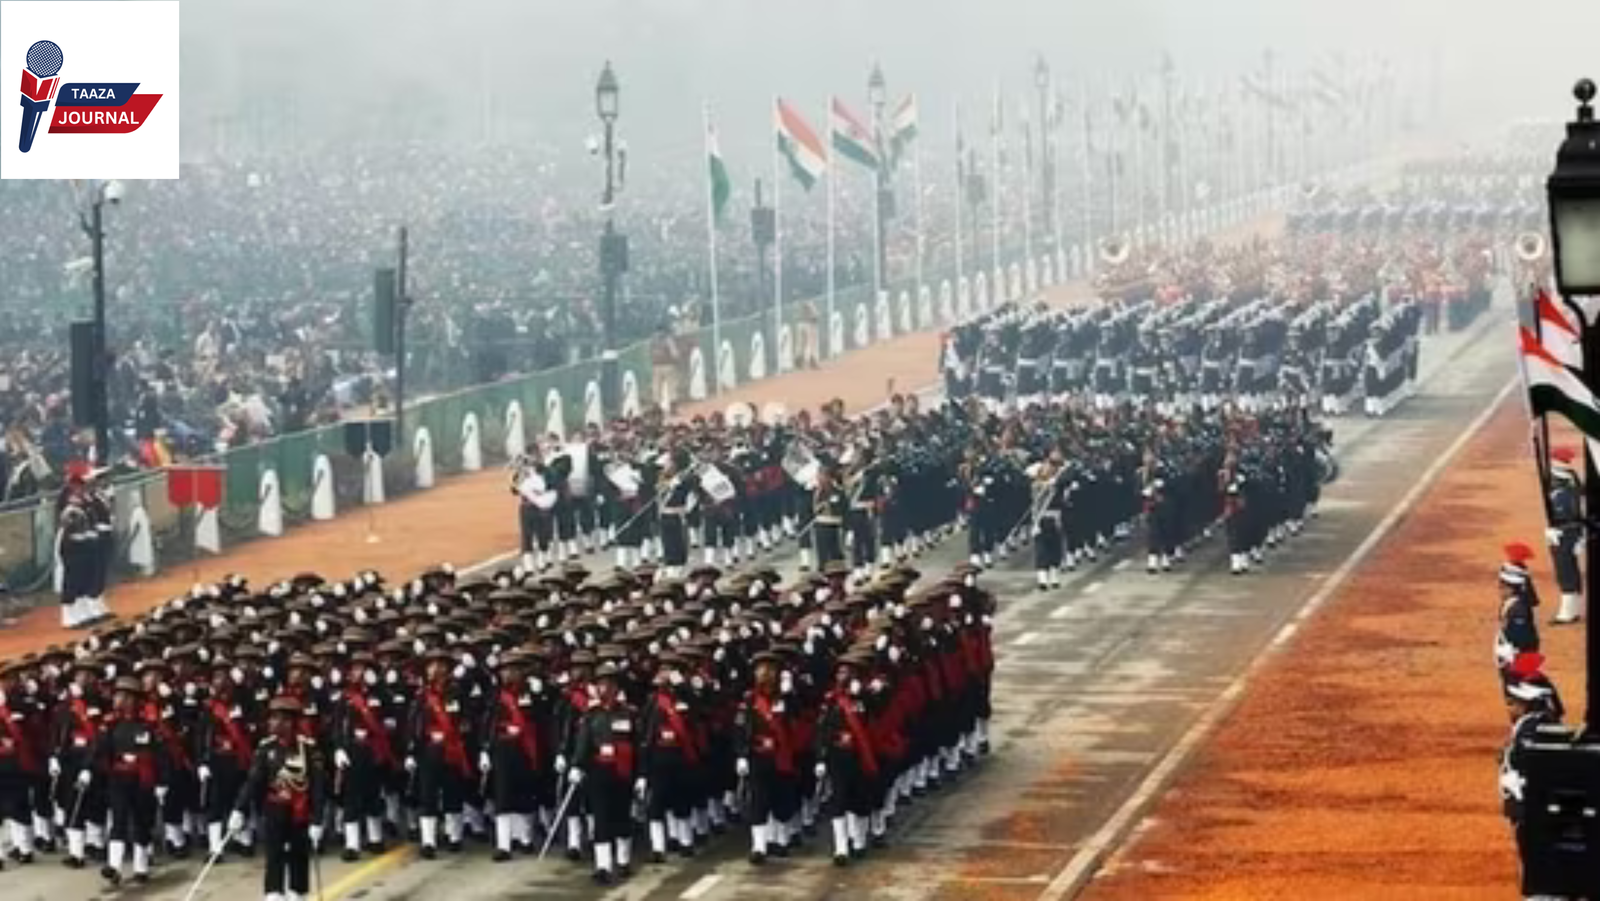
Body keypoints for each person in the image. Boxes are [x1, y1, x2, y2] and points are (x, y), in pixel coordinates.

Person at [231, 694, 325, 901]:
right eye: (272, 717)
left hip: (300, 813)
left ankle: (298, 893)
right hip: (275, 811)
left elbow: (318, 788)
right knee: (274, 855)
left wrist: (318, 820)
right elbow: (253, 781)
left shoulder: (308, 749)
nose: (273, 722)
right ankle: (274, 894)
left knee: (299, 857)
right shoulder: (266, 748)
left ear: (291, 722)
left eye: (279, 718)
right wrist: (239, 808)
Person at [570, 659, 639, 884]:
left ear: (617, 687)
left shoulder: (629, 713)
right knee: (601, 818)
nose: (605, 688)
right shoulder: (592, 714)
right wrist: (577, 766)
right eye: (601, 684)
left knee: (622, 817)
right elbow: (583, 743)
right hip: (600, 771)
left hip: (623, 772)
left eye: (609, 684)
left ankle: (623, 860)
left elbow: (638, 745)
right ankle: (603, 866)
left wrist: (642, 775)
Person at [1546, 447, 1583, 625]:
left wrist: (1553, 527)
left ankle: (1567, 613)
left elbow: (1565, 513)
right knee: (1571, 571)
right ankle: (1573, 609)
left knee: (1565, 572)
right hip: (1569, 532)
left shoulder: (1562, 489)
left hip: (1563, 534)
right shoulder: (1572, 479)